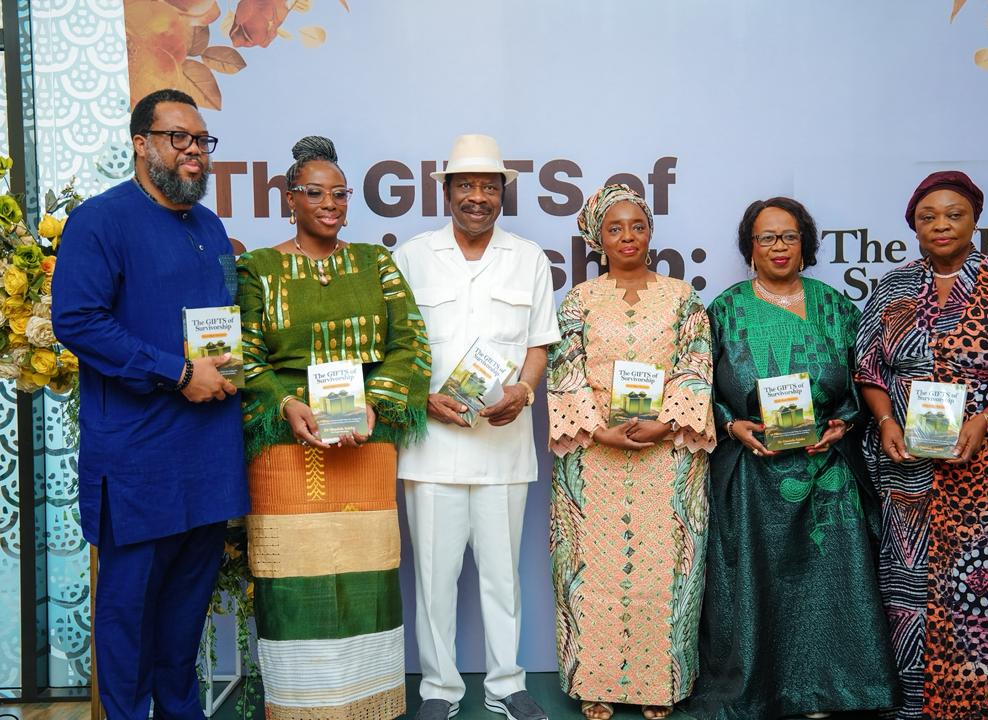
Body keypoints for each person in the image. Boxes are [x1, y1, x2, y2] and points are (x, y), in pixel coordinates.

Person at [52, 88, 248, 720]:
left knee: (185, 621)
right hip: (139, 461)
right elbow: (76, 320)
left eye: (201, 142)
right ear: (141, 143)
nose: (194, 153)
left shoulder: (208, 225)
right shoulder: (101, 221)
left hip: (208, 457)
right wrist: (175, 372)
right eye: (178, 139)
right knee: (129, 621)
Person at [855, 171, 988, 719]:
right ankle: (914, 709)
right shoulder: (893, 286)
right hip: (911, 474)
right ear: (913, 227)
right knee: (909, 600)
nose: (941, 225)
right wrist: (884, 419)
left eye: (953, 214)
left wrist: (984, 418)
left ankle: (985, 708)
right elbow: (868, 367)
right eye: (928, 217)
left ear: (975, 219)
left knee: (984, 602)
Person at [683, 197, 899, 720]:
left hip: (826, 473)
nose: (778, 247)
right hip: (751, 475)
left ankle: (832, 690)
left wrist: (843, 422)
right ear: (749, 249)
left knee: (829, 585)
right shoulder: (724, 310)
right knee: (757, 585)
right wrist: (731, 424)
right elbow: (698, 387)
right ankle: (761, 693)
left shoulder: (837, 307)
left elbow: (863, 382)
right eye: (766, 238)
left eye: (788, 236)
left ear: (805, 244)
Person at [236, 136, 430, 720]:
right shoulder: (257, 268)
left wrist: (374, 404)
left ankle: (369, 705)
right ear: (289, 199)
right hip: (282, 447)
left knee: (366, 578)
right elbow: (243, 353)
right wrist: (286, 404)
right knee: (293, 581)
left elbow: (411, 345)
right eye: (315, 193)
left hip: (364, 443)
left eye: (340, 194)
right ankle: (301, 706)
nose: (331, 203)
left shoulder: (375, 262)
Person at [393, 134, 560, 720]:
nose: (478, 196)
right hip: (431, 448)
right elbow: (394, 350)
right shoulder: (412, 257)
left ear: (502, 195)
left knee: (501, 578)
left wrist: (524, 390)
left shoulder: (528, 257)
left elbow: (540, 342)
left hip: (503, 446)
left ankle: (506, 685)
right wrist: (421, 395)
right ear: (446, 190)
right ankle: (439, 691)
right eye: (467, 185)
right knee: (434, 582)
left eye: (490, 187)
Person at [546, 184, 715, 720]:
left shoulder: (683, 298)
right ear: (598, 238)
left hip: (667, 457)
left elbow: (697, 366)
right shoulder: (578, 300)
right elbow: (565, 371)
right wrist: (597, 430)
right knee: (590, 570)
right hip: (592, 457)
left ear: (651, 233)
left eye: (636, 226)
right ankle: (593, 681)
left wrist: (666, 422)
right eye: (615, 228)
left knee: (664, 571)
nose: (627, 236)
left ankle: (657, 686)